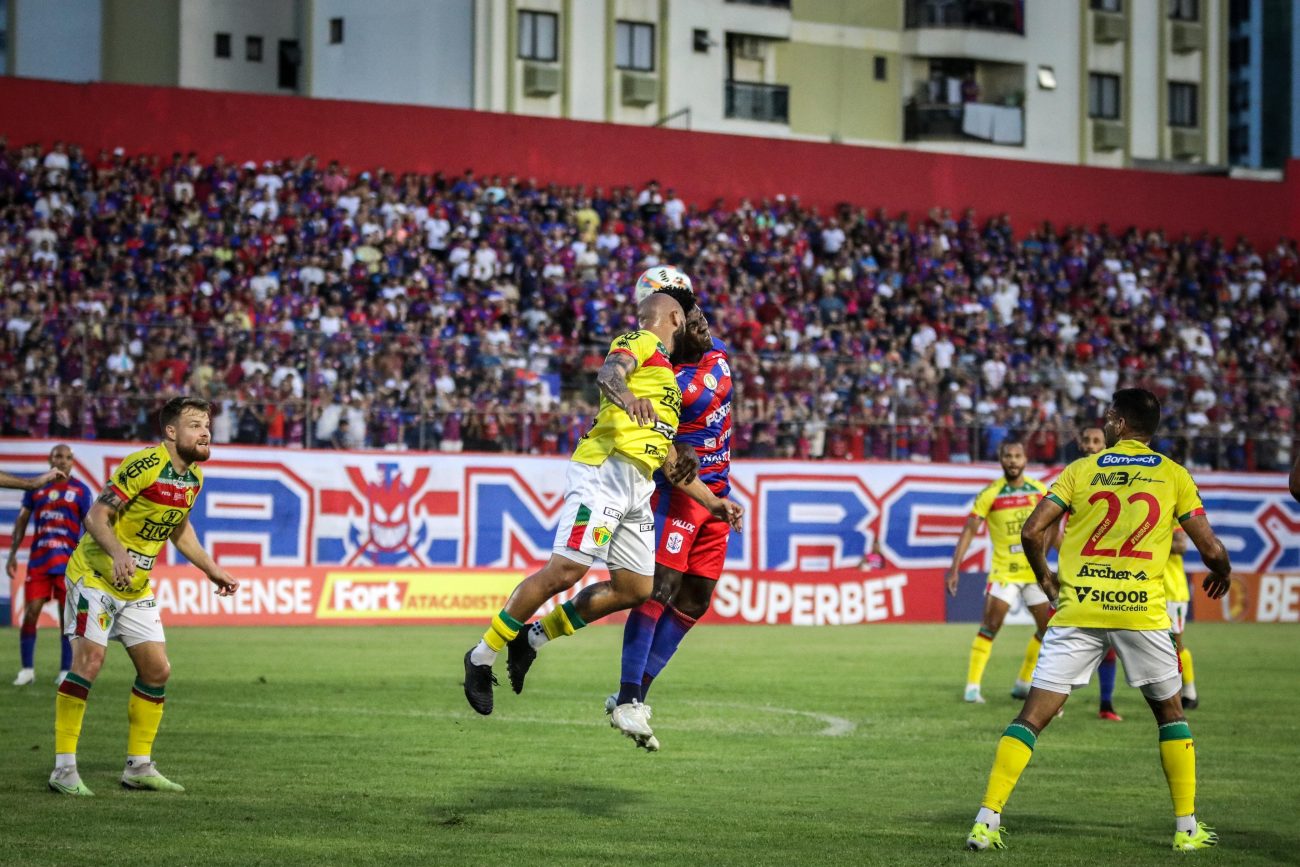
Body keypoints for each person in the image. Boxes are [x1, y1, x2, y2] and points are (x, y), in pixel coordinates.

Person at [964, 388, 1231, 853]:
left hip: (1079, 607)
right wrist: (1223, 572)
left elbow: (1031, 530)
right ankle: (1187, 829)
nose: (1104, 424)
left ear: (1122, 423)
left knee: (1031, 717)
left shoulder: (1081, 470)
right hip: (1141, 612)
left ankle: (986, 822)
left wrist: (1046, 578)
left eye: (1109, 417)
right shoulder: (1174, 475)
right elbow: (1210, 548)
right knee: (1169, 714)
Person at [462, 291, 743, 725]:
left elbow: (667, 456)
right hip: (603, 473)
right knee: (566, 571)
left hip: (637, 484)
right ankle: (482, 656)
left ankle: (532, 639)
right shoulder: (640, 340)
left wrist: (713, 502)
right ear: (674, 316)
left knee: (636, 589)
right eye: (687, 316)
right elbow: (610, 373)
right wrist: (626, 398)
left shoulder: (668, 380)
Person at [49, 397, 240, 797]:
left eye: (207, 424)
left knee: (157, 671)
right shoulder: (144, 465)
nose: (205, 431)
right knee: (90, 661)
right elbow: (96, 517)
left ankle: (138, 767)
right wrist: (118, 553)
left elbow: (179, 529)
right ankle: (64, 769)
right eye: (194, 425)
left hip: (135, 586)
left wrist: (211, 568)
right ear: (171, 432)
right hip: (95, 576)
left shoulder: (193, 479)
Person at [606, 304, 740, 751]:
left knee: (697, 599)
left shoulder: (716, 351)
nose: (699, 320)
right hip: (684, 495)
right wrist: (680, 449)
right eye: (689, 318)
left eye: (698, 312)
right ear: (674, 330)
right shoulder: (667, 383)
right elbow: (668, 447)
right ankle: (627, 696)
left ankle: (635, 697)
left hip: (720, 491)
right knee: (659, 588)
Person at [946, 440, 1050, 704]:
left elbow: (1054, 530)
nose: (1013, 460)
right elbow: (969, 530)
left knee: (1047, 630)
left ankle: (1023, 683)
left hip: (1034, 573)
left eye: (1017, 456)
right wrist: (954, 568)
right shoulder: (991, 494)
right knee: (991, 626)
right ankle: (972, 687)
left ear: (1025, 459)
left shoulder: (1039, 491)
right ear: (1001, 459)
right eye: (1008, 456)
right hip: (1004, 572)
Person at [7, 444, 92, 686]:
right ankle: (27, 670)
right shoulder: (37, 488)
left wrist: (89, 559)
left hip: (69, 566)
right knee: (31, 613)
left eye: (67, 457)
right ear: (50, 459)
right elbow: (22, 520)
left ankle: (66, 669)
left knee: (67, 620)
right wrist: (13, 554)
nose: (63, 461)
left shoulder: (80, 490)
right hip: (39, 563)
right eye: (58, 457)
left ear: (72, 462)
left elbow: (90, 526)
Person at [1073, 426, 1123, 722]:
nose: (1091, 445)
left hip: (1112, 573)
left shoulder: (1121, 479)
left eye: (1097, 441)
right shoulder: (1074, 476)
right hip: (1078, 574)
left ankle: (1106, 704)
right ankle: (1052, 699)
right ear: (1080, 444)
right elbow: (1054, 526)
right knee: (1057, 634)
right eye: (1087, 440)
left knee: (1110, 641)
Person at [1164, 528, 1197, 709]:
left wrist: (1156, 541)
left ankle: (1189, 692)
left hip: (1172, 594)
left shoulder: (1173, 521)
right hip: (1154, 591)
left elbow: (1181, 546)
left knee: (1175, 645)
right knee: (1160, 646)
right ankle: (1171, 693)